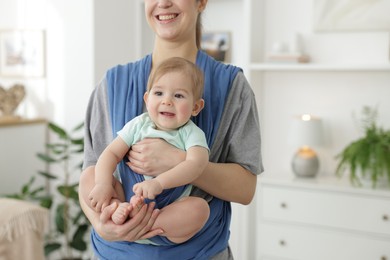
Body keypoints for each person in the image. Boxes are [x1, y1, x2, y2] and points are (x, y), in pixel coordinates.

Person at [78, 0, 263, 259]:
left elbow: (245, 189)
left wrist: (175, 161)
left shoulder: (232, 86)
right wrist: (101, 224)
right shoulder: (112, 83)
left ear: (201, 2)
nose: (163, 2)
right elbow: (92, 171)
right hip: (113, 253)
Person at [87, 57, 210, 245]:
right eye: (159, 93)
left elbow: (197, 165)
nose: (167, 101)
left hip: (166, 212)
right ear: (147, 98)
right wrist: (103, 184)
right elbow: (111, 154)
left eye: (178, 96)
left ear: (195, 107)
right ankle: (117, 208)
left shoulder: (191, 134)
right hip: (127, 197)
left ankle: (140, 223)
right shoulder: (139, 125)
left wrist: (159, 183)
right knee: (89, 175)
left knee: (199, 209)